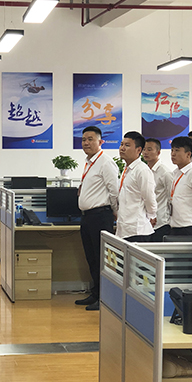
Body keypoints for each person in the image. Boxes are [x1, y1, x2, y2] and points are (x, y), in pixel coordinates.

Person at [76, 126, 118, 311]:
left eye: (90, 139)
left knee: (102, 258)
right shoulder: (89, 162)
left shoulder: (106, 162)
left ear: (101, 142)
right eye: (84, 139)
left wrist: (115, 212)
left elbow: (114, 191)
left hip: (101, 216)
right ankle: (95, 293)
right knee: (91, 257)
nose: (86, 143)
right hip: (88, 217)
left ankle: (105, 298)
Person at [116, 131, 157, 242]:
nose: (122, 148)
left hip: (137, 230)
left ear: (138, 150)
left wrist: (152, 215)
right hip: (124, 229)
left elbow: (149, 197)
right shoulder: (126, 169)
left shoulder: (142, 170)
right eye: (121, 144)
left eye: (127, 145)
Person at [143, 138, 172, 241]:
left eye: (149, 149)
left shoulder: (165, 172)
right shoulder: (144, 170)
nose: (145, 152)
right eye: (144, 149)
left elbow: (171, 198)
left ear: (158, 152)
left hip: (160, 223)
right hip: (145, 222)